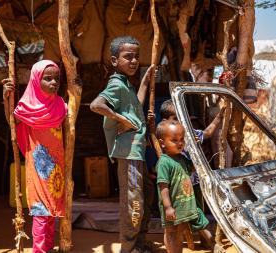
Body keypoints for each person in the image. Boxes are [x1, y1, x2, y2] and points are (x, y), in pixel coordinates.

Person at [90, 36, 155, 253]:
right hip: (128, 154)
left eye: (137, 57)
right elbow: (96, 105)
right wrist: (123, 120)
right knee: (133, 202)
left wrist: (145, 82)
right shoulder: (116, 84)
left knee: (145, 196)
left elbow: (134, 103)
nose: (134, 61)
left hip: (136, 152)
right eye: (128, 57)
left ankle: (138, 243)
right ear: (115, 60)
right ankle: (128, 248)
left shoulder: (126, 84)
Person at [2, 60, 68, 253]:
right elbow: (12, 123)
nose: (53, 82)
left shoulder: (60, 104)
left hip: (57, 168)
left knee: (51, 213)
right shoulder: (26, 105)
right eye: (47, 79)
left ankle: (47, 248)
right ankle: (39, 250)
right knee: (41, 211)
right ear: (36, 80)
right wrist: (6, 98)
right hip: (38, 167)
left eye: (56, 79)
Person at [155, 120, 214, 253]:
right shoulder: (164, 163)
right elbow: (163, 187)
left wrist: (195, 147)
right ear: (162, 143)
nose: (180, 143)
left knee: (185, 229)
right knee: (172, 232)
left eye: (182, 139)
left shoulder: (181, 158)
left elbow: (193, 167)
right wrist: (168, 207)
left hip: (185, 205)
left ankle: (213, 244)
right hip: (173, 207)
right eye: (174, 140)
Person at [159, 99, 224, 144]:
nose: (180, 121)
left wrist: (219, 116)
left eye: (182, 118)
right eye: (176, 119)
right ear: (165, 122)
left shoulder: (188, 133)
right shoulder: (165, 138)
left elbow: (208, 133)